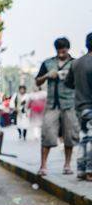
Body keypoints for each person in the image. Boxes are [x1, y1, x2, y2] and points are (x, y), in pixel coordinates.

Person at [34, 37, 79, 175]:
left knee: (69, 135)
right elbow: (37, 82)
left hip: (69, 104)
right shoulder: (48, 63)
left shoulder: (75, 64)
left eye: (63, 50)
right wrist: (47, 75)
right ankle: (43, 165)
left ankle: (67, 165)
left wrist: (70, 77)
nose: (61, 53)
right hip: (52, 104)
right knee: (47, 133)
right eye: (59, 50)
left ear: (68, 49)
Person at [64, 32, 92, 180]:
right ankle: (89, 170)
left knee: (84, 138)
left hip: (80, 106)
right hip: (90, 106)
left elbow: (68, 83)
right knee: (90, 140)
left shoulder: (76, 63)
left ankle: (81, 169)